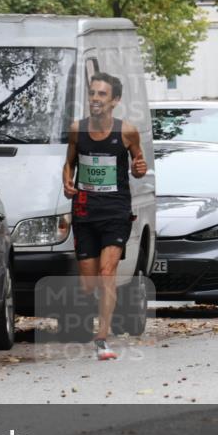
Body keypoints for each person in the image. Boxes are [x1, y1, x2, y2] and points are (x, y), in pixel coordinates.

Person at [62, 73, 147, 360]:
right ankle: (102, 306)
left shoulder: (127, 132)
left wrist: (139, 169)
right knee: (89, 284)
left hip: (115, 211)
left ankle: (102, 338)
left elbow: (139, 165)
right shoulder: (77, 130)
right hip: (84, 212)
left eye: (102, 94)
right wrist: (67, 183)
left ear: (115, 100)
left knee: (106, 272)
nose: (95, 98)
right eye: (92, 93)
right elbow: (69, 164)